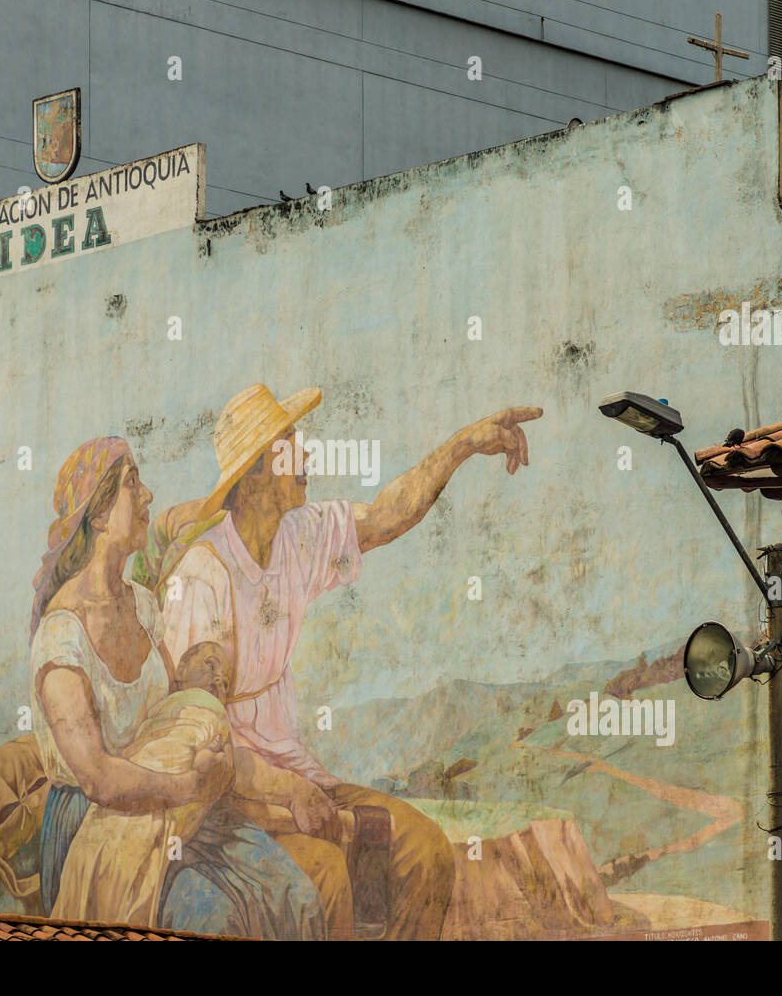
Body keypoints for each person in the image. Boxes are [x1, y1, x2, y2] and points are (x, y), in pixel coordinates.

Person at [155, 384, 543, 939]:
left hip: (296, 776)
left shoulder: (300, 535)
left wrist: (463, 445)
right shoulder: (202, 576)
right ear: (259, 468)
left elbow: (389, 513)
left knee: (424, 853)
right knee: (327, 880)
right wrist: (287, 795)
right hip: (232, 798)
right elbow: (204, 747)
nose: (306, 456)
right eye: (292, 444)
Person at [28, 435, 325, 936]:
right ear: (98, 515)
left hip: (172, 808)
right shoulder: (62, 635)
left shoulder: (144, 607)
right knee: (214, 919)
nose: (147, 496)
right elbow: (98, 779)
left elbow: (182, 721)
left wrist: (281, 785)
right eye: (131, 484)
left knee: (296, 895)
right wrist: (189, 786)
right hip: (100, 828)